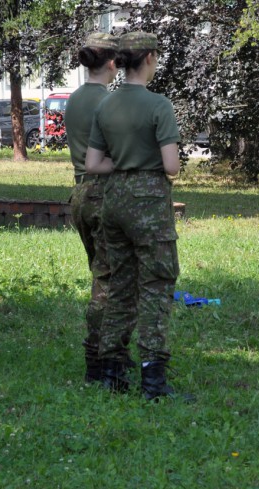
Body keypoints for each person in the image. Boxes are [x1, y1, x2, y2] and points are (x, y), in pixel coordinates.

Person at [86, 31, 190, 400]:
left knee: (119, 288)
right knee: (157, 287)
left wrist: (125, 164)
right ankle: (153, 380)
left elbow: (93, 163)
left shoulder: (106, 105)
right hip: (149, 203)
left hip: (114, 201)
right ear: (148, 58)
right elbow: (172, 166)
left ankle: (112, 372)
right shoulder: (158, 104)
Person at [64, 32, 130, 382]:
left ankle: (108, 351)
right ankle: (102, 360)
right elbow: (119, 154)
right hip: (106, 193)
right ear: (112, 63)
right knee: (111, 283)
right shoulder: (108, 101)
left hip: (81, 195)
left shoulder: (74, 98)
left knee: (101, 276)